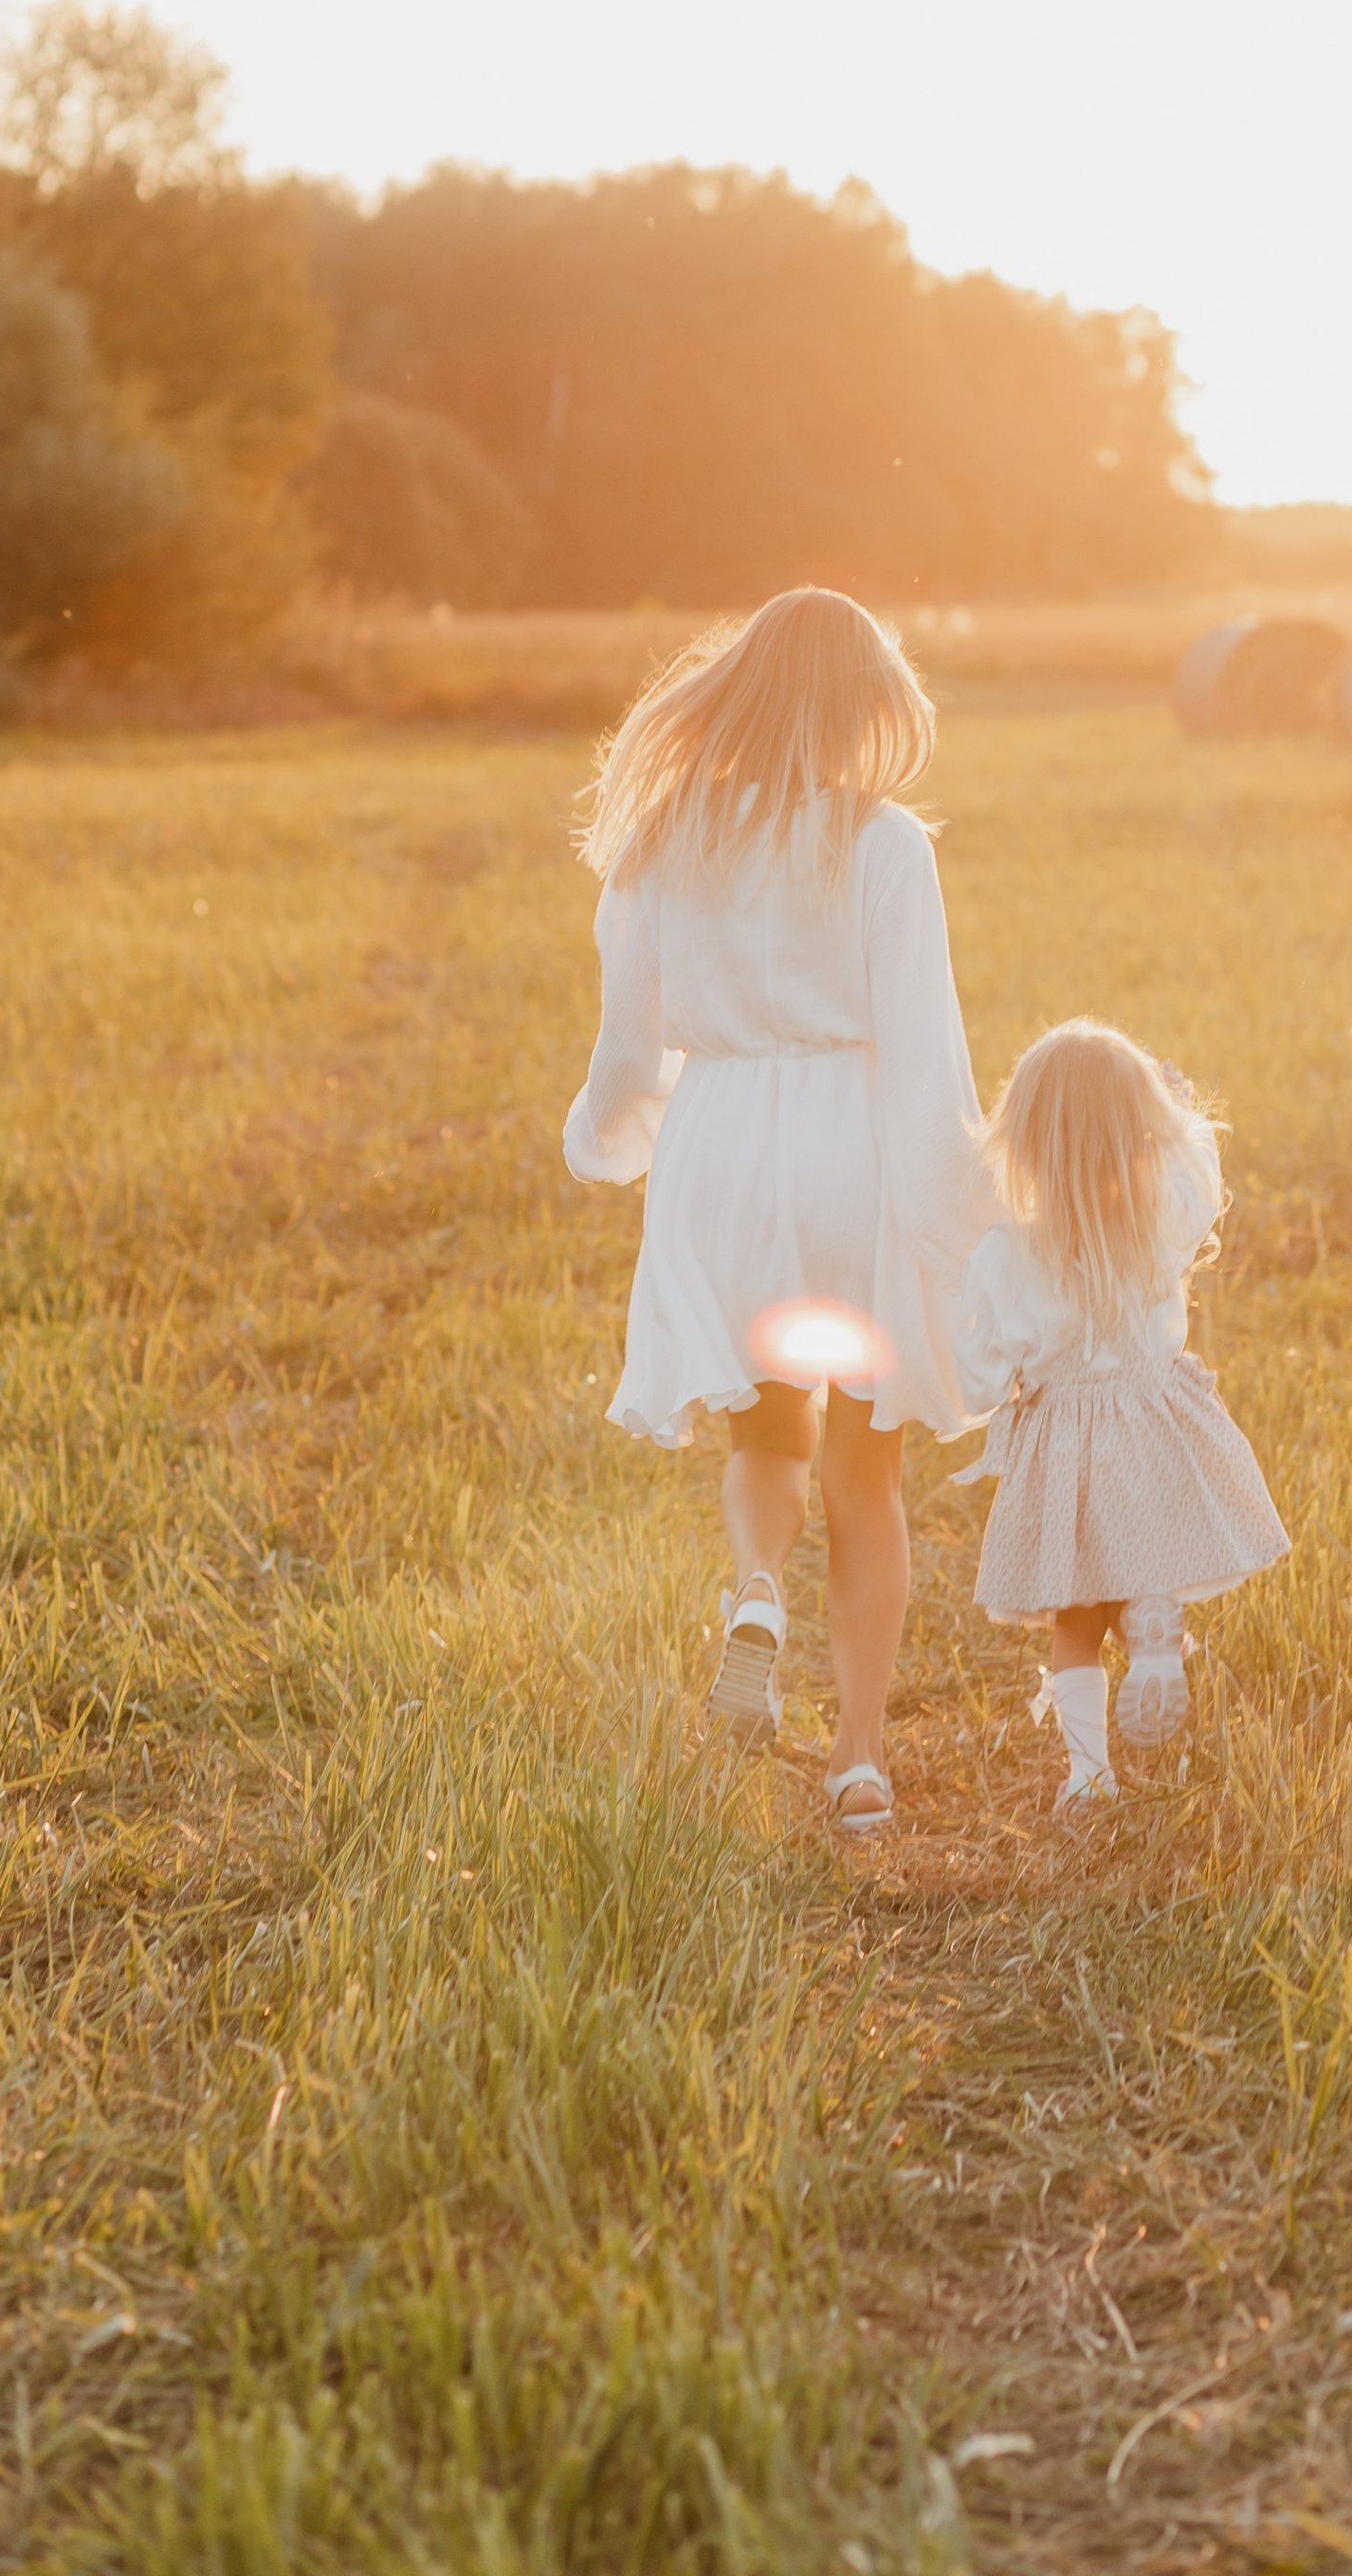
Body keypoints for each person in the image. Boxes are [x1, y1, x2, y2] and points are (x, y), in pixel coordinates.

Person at [564, 589, 994, 1835]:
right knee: (867, 1472)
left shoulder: (664, 840)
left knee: (764, 1439)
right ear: (868, 704)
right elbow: (923, 1060)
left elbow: (626, 1050)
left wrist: (605, 1143)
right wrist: (968, 1221)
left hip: (719, 1151)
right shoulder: (884, 845)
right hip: (849, 1144)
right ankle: (858, 1761)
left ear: (741, 687)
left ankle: (757, 1589)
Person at [952, 1021, 1288, 1810]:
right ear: (1142, 1132)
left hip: (1063, 1444)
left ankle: (1088, 1775)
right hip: (1154, 1421)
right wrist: (1176, 1108)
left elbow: (979, 1372)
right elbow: (1200, 1172)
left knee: (1073, 1614)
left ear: (1024, 1140)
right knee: (1144, 1552)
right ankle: (1153, 1625)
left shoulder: (1006, 1255)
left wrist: (998, 1389)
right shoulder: (1160, 1219)